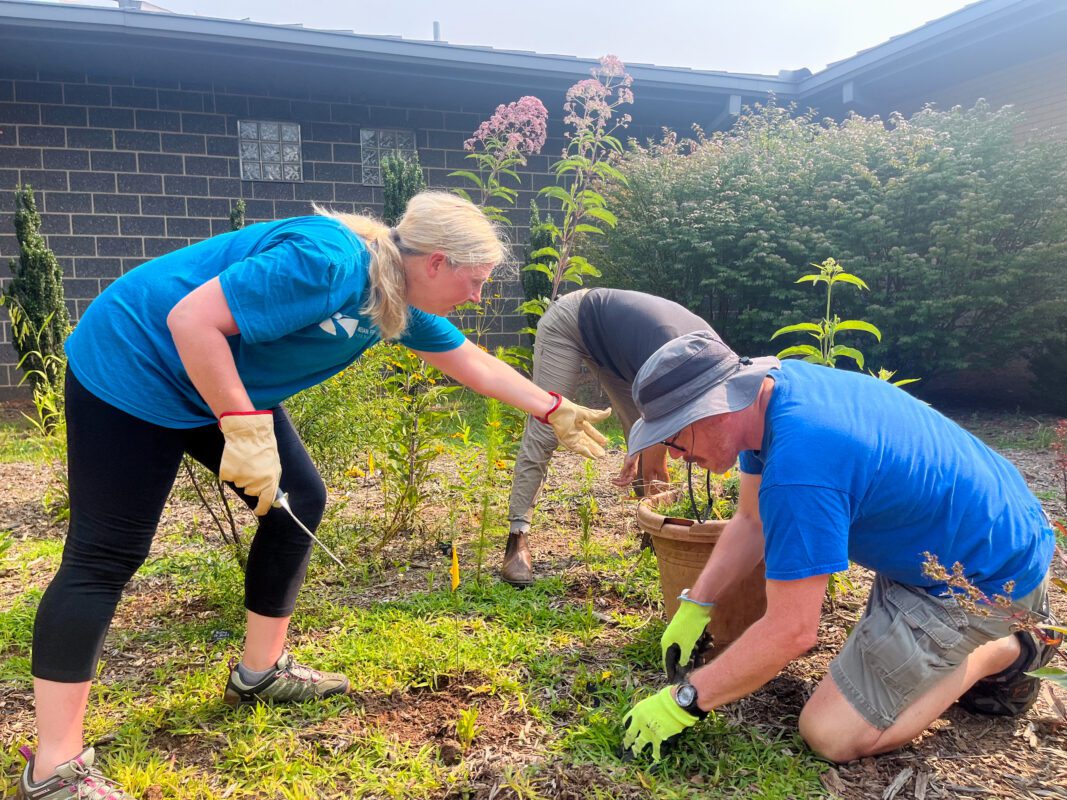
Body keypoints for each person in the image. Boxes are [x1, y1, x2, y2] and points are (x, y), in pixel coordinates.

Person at [18, 191, 610, 800]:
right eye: (476, 280)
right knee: (105, 556)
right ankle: (53, 771)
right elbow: (190, 321)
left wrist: (553, 408)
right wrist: (241, 425)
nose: (478, 296)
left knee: (296, 501)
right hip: (133, 364)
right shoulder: (326, 260)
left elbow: (471, 363)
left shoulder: (392, 299)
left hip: (214, 377)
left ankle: (259, 674)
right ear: (436, 262)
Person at [619, 330, 1062, 763]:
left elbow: (793, 631)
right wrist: (697, 605)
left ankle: (1010, 648)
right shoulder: (769, 398)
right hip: (955, 540)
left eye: (676, 436)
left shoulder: (801, 465)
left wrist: (685, 700)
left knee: (831, 734)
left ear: (717, 408)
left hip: (985, 580)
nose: (674, 455)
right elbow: (751, 521)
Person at [502, 288, 714, 585]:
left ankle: (654, 539)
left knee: (649, 439)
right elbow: (656, 456)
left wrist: (640, 444)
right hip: (572, 321)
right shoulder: (673, 367)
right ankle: (517, 538)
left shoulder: (713, 361)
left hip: (620, 348)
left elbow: (654, 432)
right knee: (547, 424)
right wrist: (644, 448)